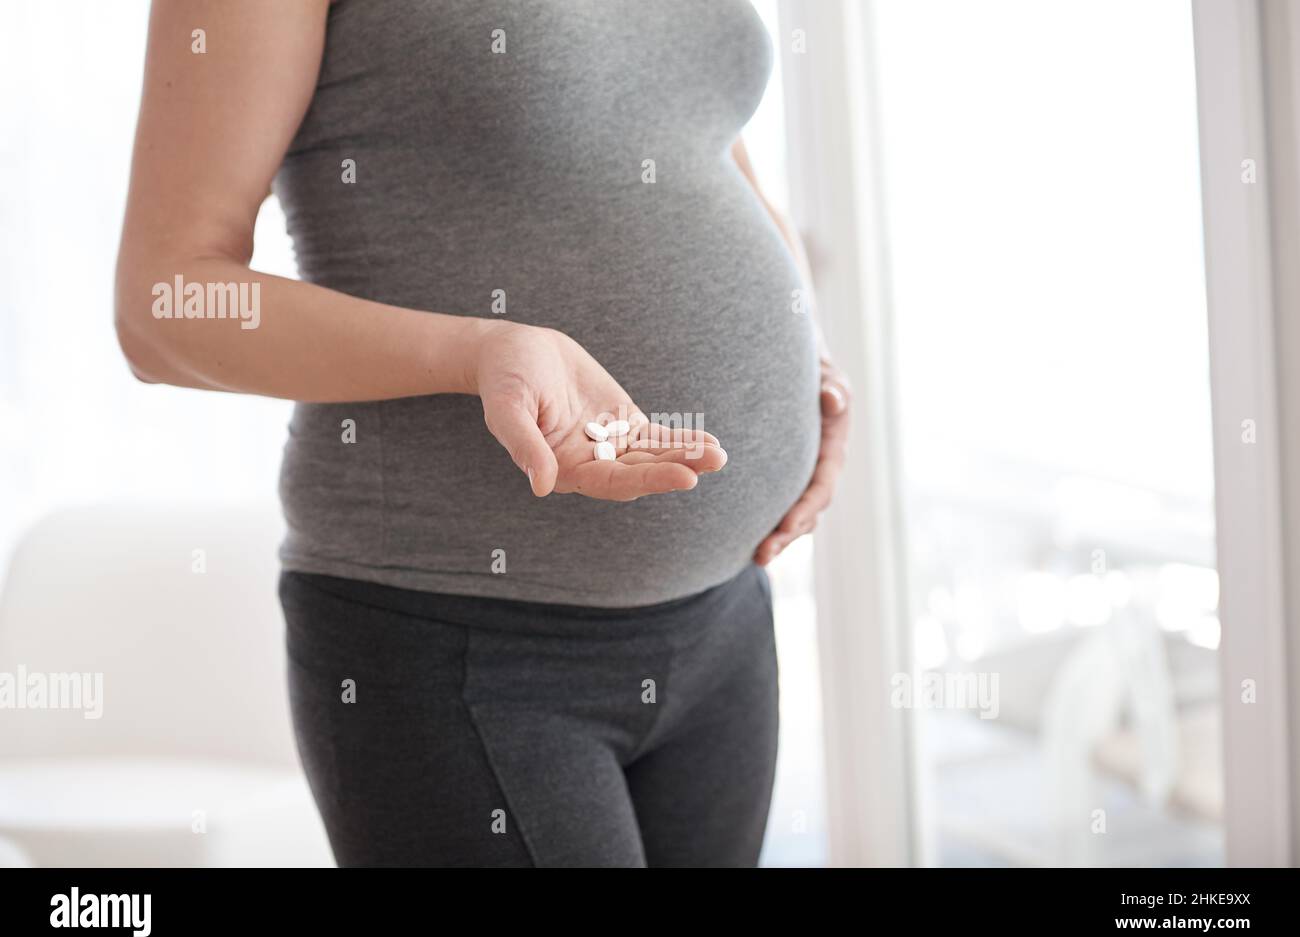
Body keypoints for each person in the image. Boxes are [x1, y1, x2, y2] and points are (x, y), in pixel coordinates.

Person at [115, 0, 849, 867]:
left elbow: (707, 136)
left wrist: (813, 362)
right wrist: (477, 350)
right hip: (464, 643)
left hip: (726, 611)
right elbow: (165, 303)